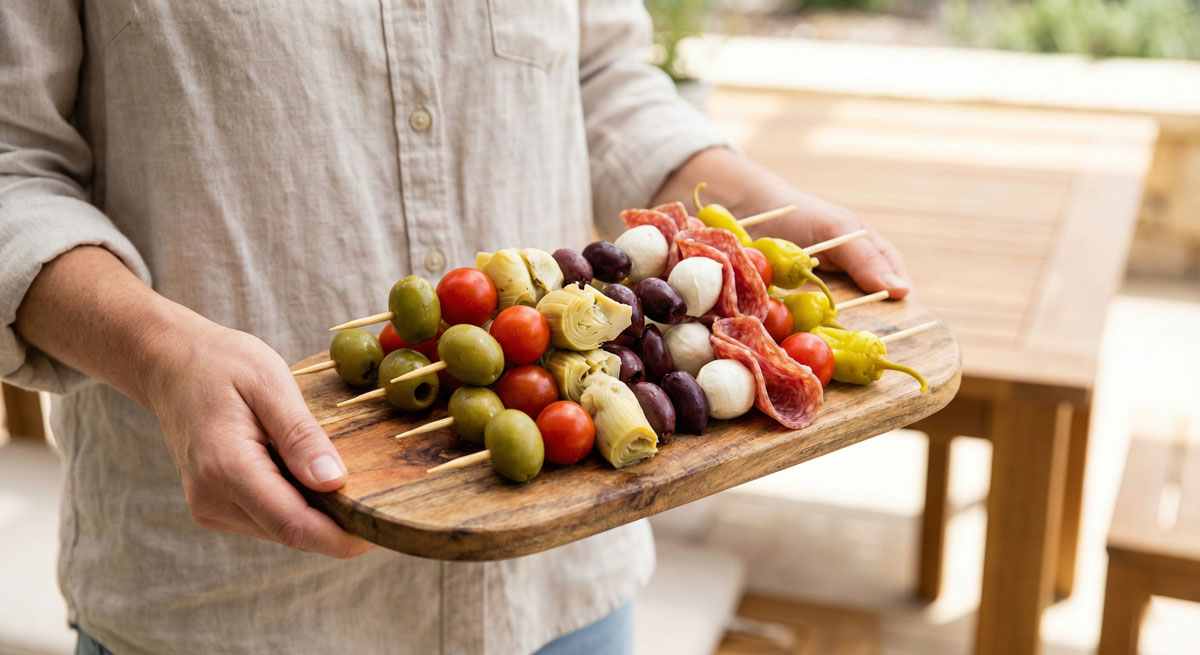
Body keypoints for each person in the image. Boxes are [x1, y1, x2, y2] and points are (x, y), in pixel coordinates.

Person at [0, 1, 911, 654]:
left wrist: (748, 205)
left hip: (564, 588)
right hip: (229, 608)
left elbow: (600, 76)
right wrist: (163, 357)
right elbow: (13, 166)